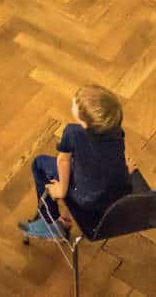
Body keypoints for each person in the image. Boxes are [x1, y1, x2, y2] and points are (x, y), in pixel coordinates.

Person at [22, 85, 131, 240]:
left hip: (86, 199)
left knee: (39, 164)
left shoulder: (73, 132)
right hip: (118, 197)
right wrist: (126, 171)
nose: (72, 104)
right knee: (84, 163)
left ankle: (50, 222)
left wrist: (61, 191)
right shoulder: (115, 131)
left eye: (74, 105)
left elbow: (63, 162)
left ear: (85, 122)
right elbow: (114, 155)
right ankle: (57, 220)